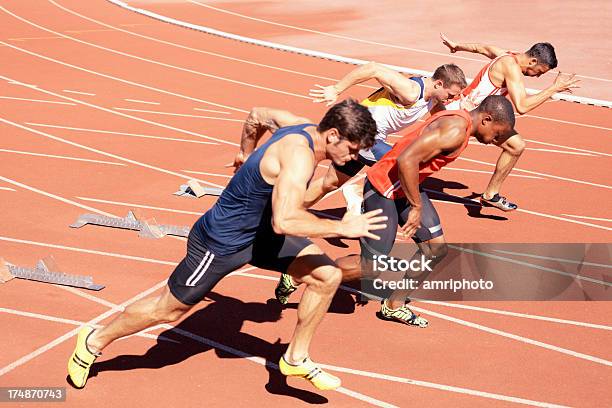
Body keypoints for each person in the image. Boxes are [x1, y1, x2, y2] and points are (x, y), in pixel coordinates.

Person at [67, 99, 388, 391]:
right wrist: (342, 226)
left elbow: (257, 114)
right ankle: (93, 341)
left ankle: (295, 358)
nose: (354, 157)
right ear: (333, 135)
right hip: (221, 240)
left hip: (260, 234)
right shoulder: (299, 157)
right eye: (353, 148)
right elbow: (285, 221)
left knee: (326, 276)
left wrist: (245, 153)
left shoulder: (296, 123)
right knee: (168, 310)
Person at [277, 95, 516, 326]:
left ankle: (394, 305)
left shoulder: (460, 123)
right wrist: (415, 205)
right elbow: (406, 160)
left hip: (404, 187)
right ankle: (299, 273)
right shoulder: (454, 130)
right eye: (497, 134)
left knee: (435, 249)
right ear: (486, 119)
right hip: (384, 188)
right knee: (371, 268)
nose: (496, 141)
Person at [440, 33, 580, 210]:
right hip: (459, 115)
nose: (537, 77)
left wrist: (457, 46)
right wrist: (554, 88)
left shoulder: (506, 55)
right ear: (533, 61)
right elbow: (522, 106)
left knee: (516, 145)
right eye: (539, 72)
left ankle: (490, 194)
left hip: (481, 119)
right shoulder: (511, 68)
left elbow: (482, 48)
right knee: (433, 153)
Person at [303, 62, 467, 210]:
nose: (452, 99)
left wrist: (463, 116)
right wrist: (336, 89)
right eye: (451, 95)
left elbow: (440, 118)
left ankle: (286, 211)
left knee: (330, 182)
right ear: (439, 84)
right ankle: (358, 192)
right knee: (403, 166)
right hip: (362, 133)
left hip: (367, 137)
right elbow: (373, 68)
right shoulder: (411, 91)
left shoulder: (434, 99)